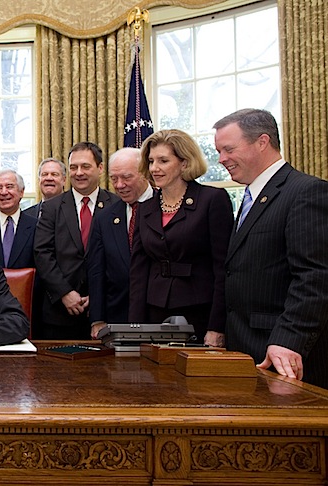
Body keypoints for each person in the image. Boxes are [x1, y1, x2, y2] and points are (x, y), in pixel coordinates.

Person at [215, 108, 328, 387]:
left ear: (262, 142)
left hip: (281, 352)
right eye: (219, 151)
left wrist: (288, 340)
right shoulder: (252, 195)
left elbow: (314, 277)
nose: (221, 159)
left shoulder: (305, 192)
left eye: (228, 149)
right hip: (247, 345)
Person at [129, 129, 233, 345]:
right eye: (151, 161)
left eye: (163, 161)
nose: (154, 168)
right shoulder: (145, 208)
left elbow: (223, 268)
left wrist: (217, 326)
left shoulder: (212, 200)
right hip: (154, 311)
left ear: (184, 163)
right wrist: (134, 328)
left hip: (199, 312)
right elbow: (139, 272)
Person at [34, 142, 120, 339]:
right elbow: (42, 253)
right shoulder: (51, 208)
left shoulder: (116, 205)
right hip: (59, 313)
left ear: (100, 168)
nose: (79, 172)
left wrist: (97, 297)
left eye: (85, 166)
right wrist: (65, 293)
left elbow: (120, 258)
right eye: (73, 167)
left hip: (105, 311)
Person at [87, 148, 153, 338]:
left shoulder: (164, 206)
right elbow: (96, 270)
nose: (119, 185)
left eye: (126, 177)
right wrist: (97, 318)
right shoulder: (104, 217)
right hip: (117, 315)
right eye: (114, 179)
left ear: (144, 172)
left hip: (158, 314)